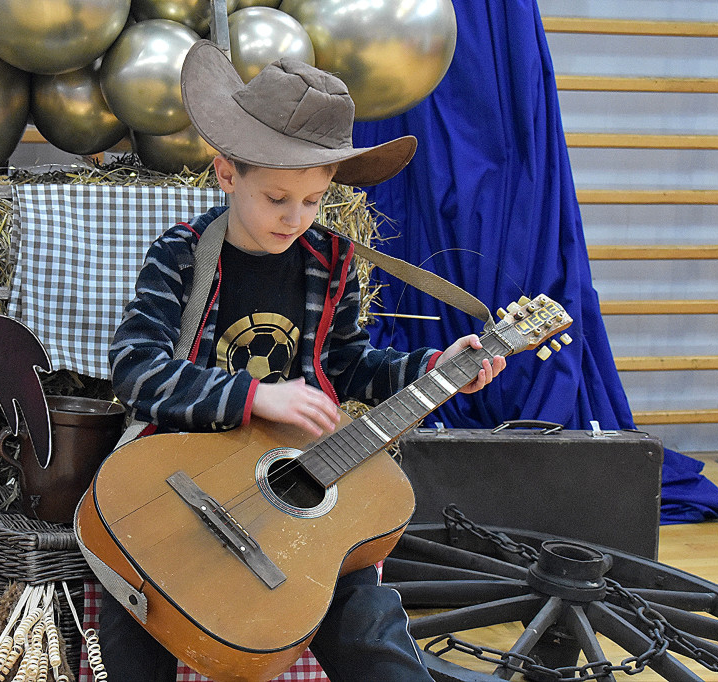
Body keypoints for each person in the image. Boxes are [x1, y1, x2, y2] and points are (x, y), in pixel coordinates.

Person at [102, 39, 506, 682]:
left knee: (369, 626)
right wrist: (252, 395)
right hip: (184, 478)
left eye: (313, 201)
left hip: (294, 473)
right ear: (226, 172)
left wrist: (431, 369)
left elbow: (346, 366)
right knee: (137, 609)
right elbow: (135, 368)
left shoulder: (332, 262)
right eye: (277, 198)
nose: (296, 218)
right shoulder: (182, 255)